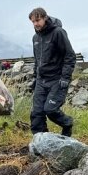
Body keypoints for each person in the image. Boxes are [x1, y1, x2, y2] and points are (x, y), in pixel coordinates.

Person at [29, 7, 76, 136]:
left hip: (57, 79)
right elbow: (37, 60)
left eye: (38, 20)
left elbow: (70, 56)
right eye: (33, 22)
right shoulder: (35, 38)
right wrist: (35, 78)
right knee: (36, 113)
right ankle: (40, 141)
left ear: (45, 18)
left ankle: (67, 123)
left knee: (50, 110)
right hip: (41, 80)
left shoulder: (58, 33)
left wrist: (65, 78)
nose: (35, 24)